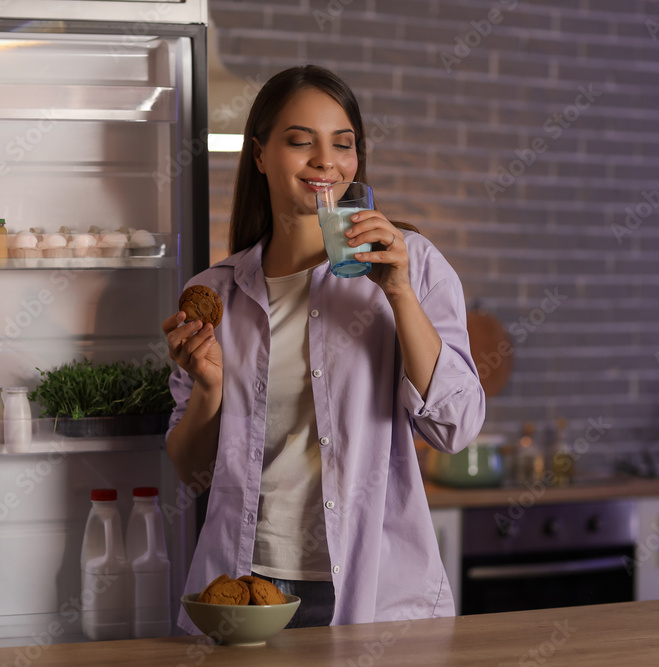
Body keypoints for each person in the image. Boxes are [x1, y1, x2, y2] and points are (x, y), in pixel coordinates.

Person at [162, 65, 485, 633]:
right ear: (259, 154)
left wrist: (400, 295)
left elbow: (456, 427)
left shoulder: (412, 264)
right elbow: (191, 473)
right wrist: (209, 391)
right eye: (299, 141)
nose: (325, 161)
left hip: (376, 591)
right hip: (243, 591)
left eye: (343, 143)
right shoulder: (216, 293)